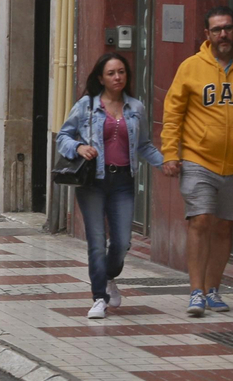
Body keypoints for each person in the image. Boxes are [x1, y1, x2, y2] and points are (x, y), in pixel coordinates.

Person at [160, 5, 233, 316]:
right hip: (197, 158)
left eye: (228, 28)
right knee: (201, 220)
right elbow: (173, 114)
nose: (223, 34)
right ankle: (195, 292)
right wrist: (170, 153)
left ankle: (213, 289)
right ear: (206, 34)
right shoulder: (191, 68)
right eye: (217, 29)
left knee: (224, 227)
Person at [57, 52, 163, 320]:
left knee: (122, 242)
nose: (117, 77)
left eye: (121, 72)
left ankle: (109, 277)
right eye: (111, 73)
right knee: (96, 242)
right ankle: (98, 298)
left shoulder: (136, 108)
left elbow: (144, 146)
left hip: (123, 181)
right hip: (93, 181)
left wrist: (166, 164)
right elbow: (63, 138)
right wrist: (79, 147)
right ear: (101, 78)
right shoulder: (86, 106)